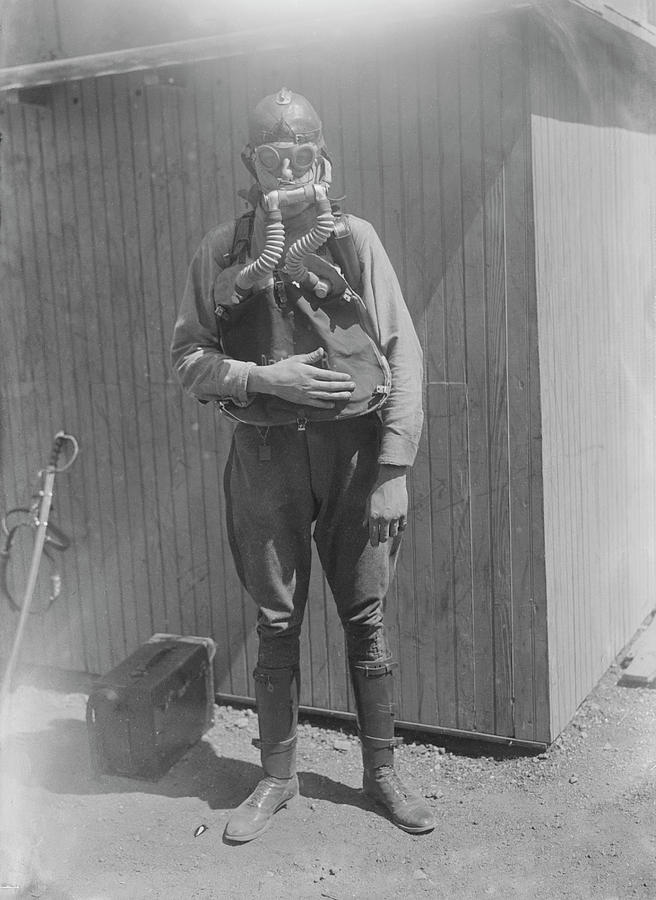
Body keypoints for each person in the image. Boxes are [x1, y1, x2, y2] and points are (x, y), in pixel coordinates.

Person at [170, 87, 434, 841]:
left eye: (301, 151)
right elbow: (189, 359)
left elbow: (401, 348)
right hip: (263, 457)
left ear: (321, 155)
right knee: (276, 618)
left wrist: (393, 466)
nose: (286, 163)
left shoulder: (353, 238)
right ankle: (277, 776)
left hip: (352, 454)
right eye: (270, 152)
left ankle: (381, 773)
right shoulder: (222, 251)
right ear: (247, 161)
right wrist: (263, 379)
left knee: (367, 615)